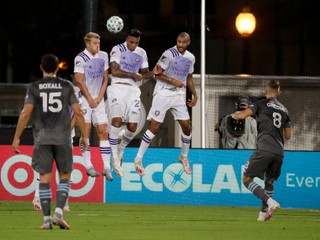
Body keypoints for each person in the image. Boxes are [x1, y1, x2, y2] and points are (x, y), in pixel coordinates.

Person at [12, 53, 87, 229]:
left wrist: (17, 137)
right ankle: (59, 213)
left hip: (42, 137)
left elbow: (25, 114)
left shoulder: (34, 87)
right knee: (65, 176)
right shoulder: (67, 86)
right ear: (57, 68)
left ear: (41, 68)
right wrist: (84, 135)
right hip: (63, 137)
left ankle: (46, 220)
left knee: (44, 177)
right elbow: (78, 112)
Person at [133, 32, 198, 176]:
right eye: (178, 41)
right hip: (162, 92)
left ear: (188, 42)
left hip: (177, 94)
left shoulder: (190, 58)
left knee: (187, 127)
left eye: (183, 42)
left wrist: (195, 95)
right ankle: (138, 159)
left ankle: (184, 157)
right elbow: (157, 74)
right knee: (155, 127)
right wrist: (173, 81)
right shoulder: (168, 54)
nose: (180, 44)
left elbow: (189, 78)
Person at [231, 79, 291, 221]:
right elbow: (288, 136)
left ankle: (271, 202)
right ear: (279, 92)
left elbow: (242, 115)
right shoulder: (285, 110)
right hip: (279, 151)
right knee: (269, 181)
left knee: (246, 179)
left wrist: (233, 116)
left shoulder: (260, 103)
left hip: (264, 148)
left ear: (266, 91)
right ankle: (263, 215)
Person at [107, 29, 156, 177]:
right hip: (117, 88)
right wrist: (132, 74)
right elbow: (114, 71)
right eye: (131, 42)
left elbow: (145, 72)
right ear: (126, 39)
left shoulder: (141, 53)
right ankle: (115, 158)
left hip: (133, 91)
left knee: (132, 127)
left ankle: (121, 148)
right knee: (116, 121)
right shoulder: (117, 49)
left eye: (136, 42)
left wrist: (153, 72)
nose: (133, 45)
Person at [74, 32, 113, 181]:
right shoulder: (80, 58)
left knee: (103, 130)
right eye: (95, 43)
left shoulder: (103, 56)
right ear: (88, 44)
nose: (98, 45)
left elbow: (105, 79)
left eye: (99, 43)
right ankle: (88, 165)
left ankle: (106, 167)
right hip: (84, 99)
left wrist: (100, 97)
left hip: (98, 99)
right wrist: (90, 99)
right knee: (86, 131)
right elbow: (79, 81)